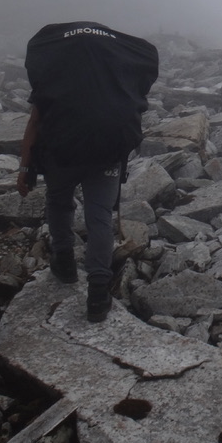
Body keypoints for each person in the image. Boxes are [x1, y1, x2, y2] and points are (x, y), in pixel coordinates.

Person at [17, 22, 159, 322]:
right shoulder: (114, 81)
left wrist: (26, 166)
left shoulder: (55, 77)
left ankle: (65, 261)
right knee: (99, 217)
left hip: (62, 154)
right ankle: (97, 292)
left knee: (58, 200)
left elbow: (35, 124)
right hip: (106, 152)